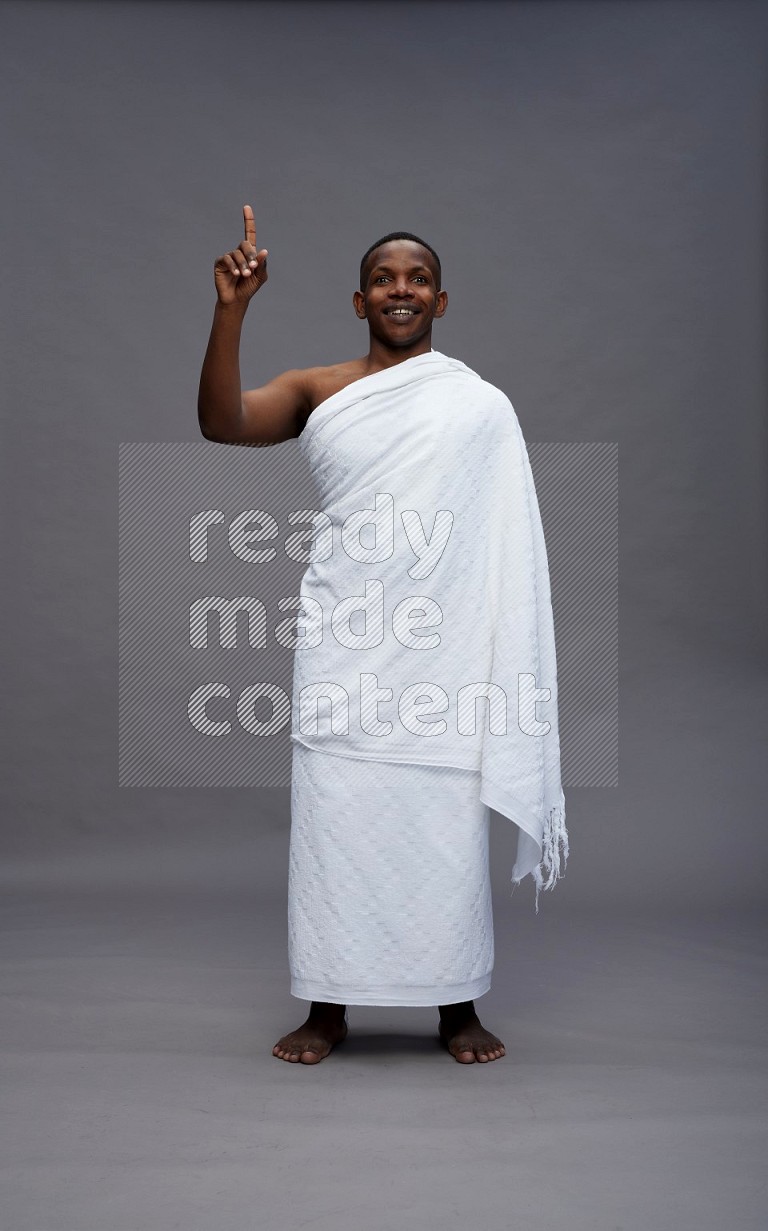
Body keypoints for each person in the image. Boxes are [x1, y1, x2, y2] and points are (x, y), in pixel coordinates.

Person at [198, 205, 517, 1065]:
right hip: (345, 638)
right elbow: (223, 423)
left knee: (443, 822)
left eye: (416, 279)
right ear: (359, 299)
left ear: (441, 302)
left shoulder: (478, 405)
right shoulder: (319, 389)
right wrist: (232, 309)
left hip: (440, 648)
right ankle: (328, 1005)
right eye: (384, 278)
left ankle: (455, 1005)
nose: (400, 289)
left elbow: (501, 540)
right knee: (337, 821)